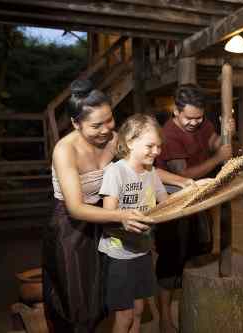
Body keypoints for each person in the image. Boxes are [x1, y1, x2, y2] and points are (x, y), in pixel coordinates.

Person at [43, 79, 190, 333]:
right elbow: (76, 207)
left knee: (106, 296)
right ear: (76, 124)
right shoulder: (65, 150)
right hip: (71, 229)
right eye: (95, 125)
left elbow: (142, 165)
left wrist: (184, 181)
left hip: (105, 220)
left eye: (109, 120)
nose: (105, 129)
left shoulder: (112, 140)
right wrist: (120, 214)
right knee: (76, 300)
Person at [155, 84, 234, 333]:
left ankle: (193, 309)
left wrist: (226, 134)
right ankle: (165, 318)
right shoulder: (169, 134)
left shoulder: (202, 123)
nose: (194, 122)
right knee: (171, 260)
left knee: (199, 252)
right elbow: (183, 174)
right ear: (176, 112)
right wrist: (218, 159)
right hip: (173, 202)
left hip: (199, 199)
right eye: (189, 118)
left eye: (199, 117)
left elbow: (214, 143)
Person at [99, 114, 177, 333]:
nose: (156, 152)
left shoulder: (151, 173)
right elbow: (108, 215)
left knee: (139, 310)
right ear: (131, 142)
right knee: (124, 315)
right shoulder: (116, 172)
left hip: (142, 251)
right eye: (150, 146)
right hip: (119, 254)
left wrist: (194, 195)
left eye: (159, 147)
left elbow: (166, 203)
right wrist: (124, 219)